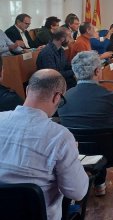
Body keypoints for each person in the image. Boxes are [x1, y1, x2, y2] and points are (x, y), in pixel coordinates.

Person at [0, 69, 89, 220]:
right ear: (57, 97)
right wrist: (72, 154)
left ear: (28, 90)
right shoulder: (60, 136)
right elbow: (77, 192)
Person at [58, 51, 113, 196]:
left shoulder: (64, 97)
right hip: (112, 154)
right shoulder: (110, 97)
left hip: (76, 152)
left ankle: (98, 183)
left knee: (93, 133)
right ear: (97, 71)